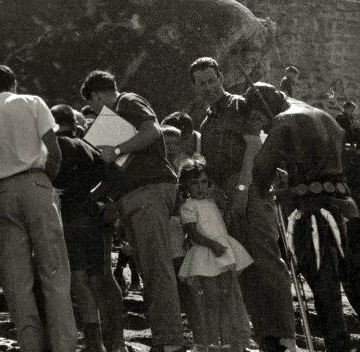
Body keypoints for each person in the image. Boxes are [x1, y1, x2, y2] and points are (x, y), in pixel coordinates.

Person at [250, 84, 360, 352]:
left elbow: (260, 172)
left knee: (327, 297)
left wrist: (273, 187)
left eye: (260, 118)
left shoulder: (283, 121)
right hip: (346, 208)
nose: (264, 126)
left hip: (313, 216)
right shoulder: (326, 117)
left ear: (265, 106)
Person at [190, 57, 296, 352]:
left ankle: (286, 336)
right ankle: (266, 338)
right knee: (244, 265)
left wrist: (242, 190)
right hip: (225, 199)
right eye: (202, 83)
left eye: (212, 80)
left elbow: (253, 147)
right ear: (196, 88)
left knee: (266, 259)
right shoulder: (206, 124)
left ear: (220, 78)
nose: (208, 87)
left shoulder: (240, 106)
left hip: (251, 189)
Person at [81, 70, 187, 352]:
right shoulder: (115, 117)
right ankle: (164, 338)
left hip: (148, 191)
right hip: (135, 195)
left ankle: (171, 342)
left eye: (91, 105)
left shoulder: (127, 101)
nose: (94, 112)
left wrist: (116, 149)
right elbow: (119, 170)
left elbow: (152, 131)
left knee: (156, 268)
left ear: (97, 96)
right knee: (150, 269)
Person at [0, 65, 75, 352]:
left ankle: (30, 345)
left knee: (16, 278)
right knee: (54, 269)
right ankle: (63, 345)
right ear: (14, 83)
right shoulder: (32, 102)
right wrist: (44, 180)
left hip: (3, 191)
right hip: (36, 182)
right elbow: (54, 151)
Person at [50, 104, 125, 352]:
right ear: (74, 124)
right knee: (97, 278)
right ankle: (111, 339)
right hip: (93, 217)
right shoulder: (86, 146)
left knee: (79, 280)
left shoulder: (53, 146)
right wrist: (94, 197)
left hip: (70, 218)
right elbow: (111, 174)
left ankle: (95, 342)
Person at [176, 160, 253, 352]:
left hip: (222, 252)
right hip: (206, 253)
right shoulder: (188, 206)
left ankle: (228, 340)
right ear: (185, 185)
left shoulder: (212, 202)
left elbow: (221, 222)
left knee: (227, 296)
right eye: (194, 183)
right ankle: (210, 341)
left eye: (203, 182)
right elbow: (193, 233)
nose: (200, 187)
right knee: (211, 299)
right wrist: (212, 245)